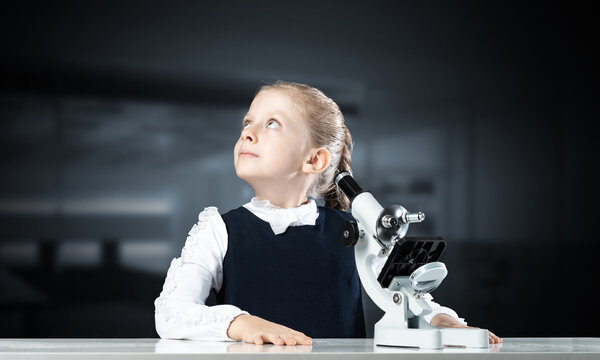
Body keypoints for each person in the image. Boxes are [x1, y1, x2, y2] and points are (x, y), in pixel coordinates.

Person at [154, 80, 502, 346]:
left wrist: (437, 319)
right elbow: (170, 312)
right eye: (247, 122)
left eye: (271, 123)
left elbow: (403, 295)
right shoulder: (216, 230)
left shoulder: (355, 232)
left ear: (314, 160)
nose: (248, 132)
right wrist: (241, 324)